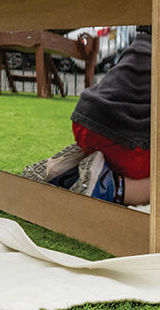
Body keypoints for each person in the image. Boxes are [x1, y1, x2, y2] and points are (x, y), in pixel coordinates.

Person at [22, 27, 152, 206]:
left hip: (87, 122)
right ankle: (109, 186)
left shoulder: (141, 45)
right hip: (123, 140)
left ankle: (72, 172)